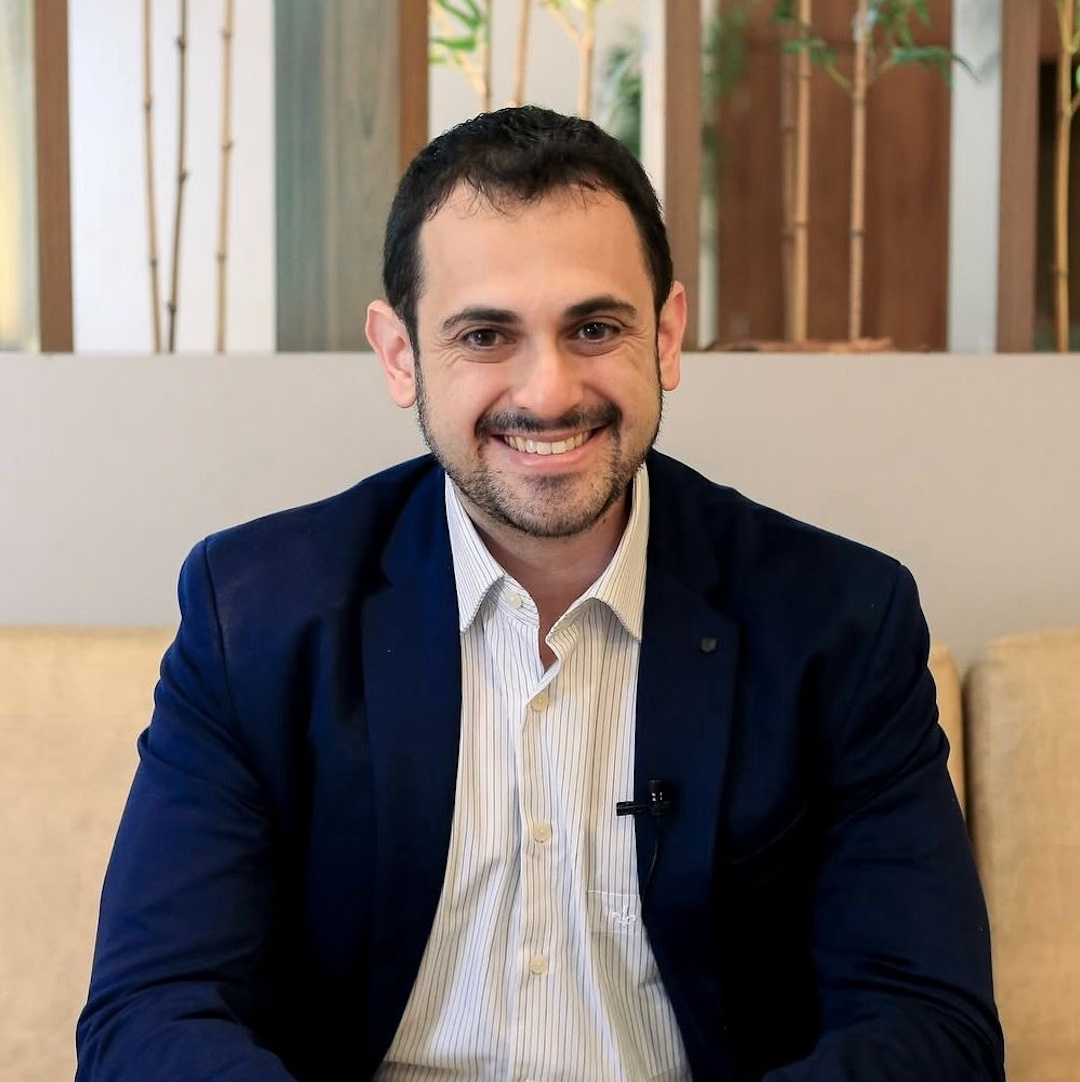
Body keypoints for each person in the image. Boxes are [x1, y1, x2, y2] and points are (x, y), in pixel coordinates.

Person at [76, 106, 1003, 1081]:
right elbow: (149, 1015)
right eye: (486, 334)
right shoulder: (253, 617)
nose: (549, 392)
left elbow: (931, 1026)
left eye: (594, 328)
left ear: (666, 335)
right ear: (401, 355)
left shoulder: (841, 622)